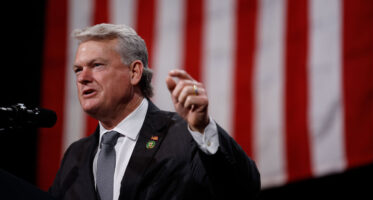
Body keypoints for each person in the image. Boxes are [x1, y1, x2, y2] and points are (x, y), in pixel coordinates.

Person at [49, 23, 260, 200]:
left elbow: (244, 189)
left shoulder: (183, 137)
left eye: (97, 65)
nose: (82, 77)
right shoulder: (75, 157)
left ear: (134, 72)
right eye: (78, 69)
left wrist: (203, 128)